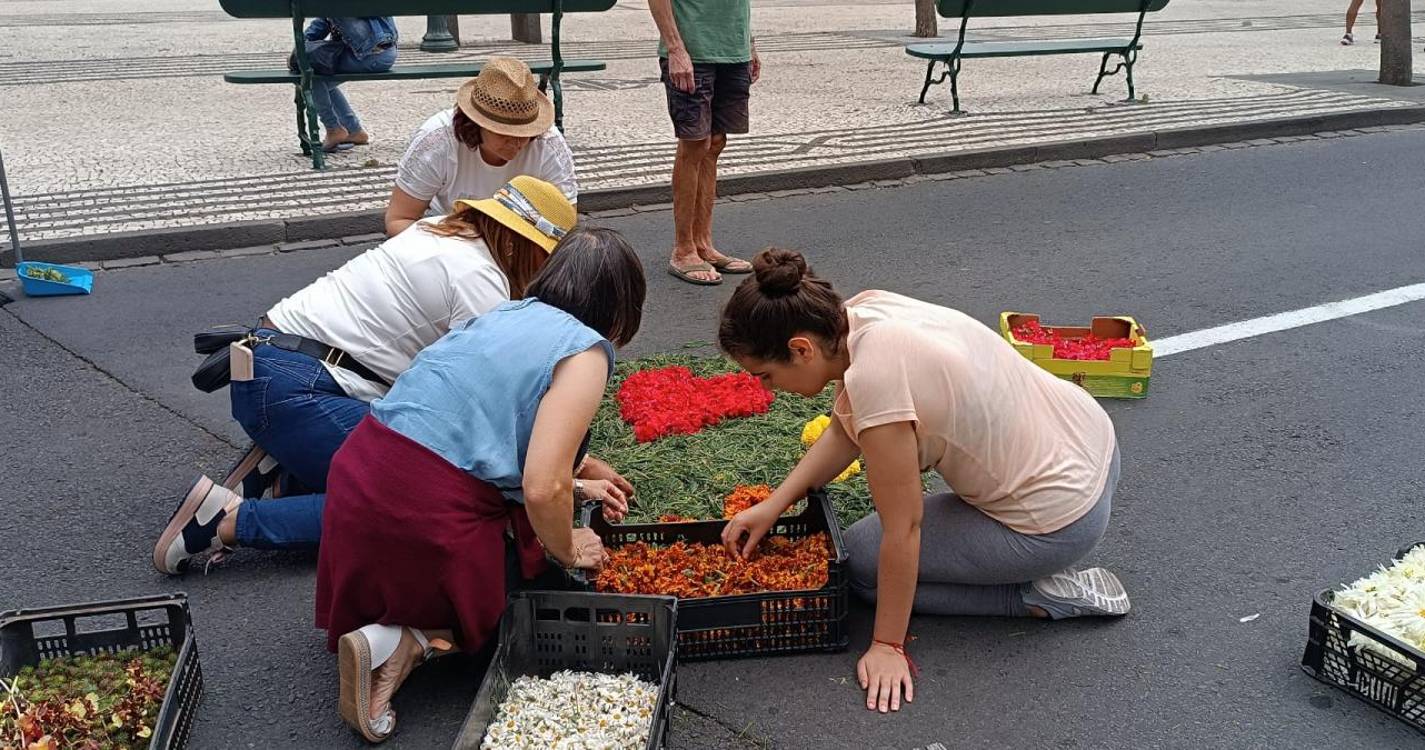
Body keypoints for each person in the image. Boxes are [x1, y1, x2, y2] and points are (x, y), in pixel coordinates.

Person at [718, 249, 1128, 714]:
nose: (767, 389)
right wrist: (775, 504)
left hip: (1060, 521)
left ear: (801, 349)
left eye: (766, 375)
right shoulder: (863, 312)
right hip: (1091, 443)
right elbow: (845, 430)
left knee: (864, 568)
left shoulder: (875, 380)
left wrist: (887, 645)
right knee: (879, 550)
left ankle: (1032, 595)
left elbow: (904, 528)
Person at [154, 178, 632, 575]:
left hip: (271, 367)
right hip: (301, 387)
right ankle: (225, 521)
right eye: (546, 259)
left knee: (390, 465)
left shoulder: (437, 231)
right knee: (393, 502)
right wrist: (570, 478)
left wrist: (576, 467)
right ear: (515, 241)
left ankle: (284, 473)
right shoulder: (481, 282)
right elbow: (484, 410)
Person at [314, 228, 646, 742]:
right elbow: (541, 487)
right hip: (423, 509)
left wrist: (578, 485)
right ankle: (408, 638)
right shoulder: (585, 350)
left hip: (360, 479)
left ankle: (386, 635)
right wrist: (567, 548)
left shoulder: (501, 315)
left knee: (521, 551)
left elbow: (478, 434)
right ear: (622, 306)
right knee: (532, 593)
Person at [384, 57, 579, 238]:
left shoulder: (548, 144)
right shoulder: (438, 140)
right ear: (476, 124)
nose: (516, 143)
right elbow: (398, 219)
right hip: (450, 237)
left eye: (524, 133)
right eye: (503, 133)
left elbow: (565, 225)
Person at [649, 0, 760, 285]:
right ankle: (683, 249)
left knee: (715, 143)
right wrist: (675, 48)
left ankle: (703, 243)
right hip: (692, 50)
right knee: (695, 144)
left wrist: (749, 44)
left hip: (733, 49)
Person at [293, 17, 399, 152]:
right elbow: (323, 21)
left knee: (311, 74)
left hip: (369, 55)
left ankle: (333, 129)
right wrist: (300, 49)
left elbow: (327, 18)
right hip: (385, 52)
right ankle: (354, 130)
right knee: (319, 77)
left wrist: (300, 51)